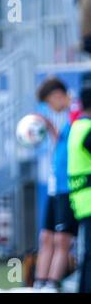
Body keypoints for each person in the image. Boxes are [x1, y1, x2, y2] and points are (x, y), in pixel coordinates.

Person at [33, 78, 79, 292]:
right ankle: (39, 282)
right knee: (46, 237)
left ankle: (52, 284)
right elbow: (63, 144)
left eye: (49, 102)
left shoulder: (77, 111)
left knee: (62, 239)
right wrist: (50, 126)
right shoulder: (68, 120)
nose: (50, 108)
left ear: (57, 95)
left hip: (69, 186)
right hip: (54, 186)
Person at [68, 82, 91, 293]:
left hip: (81, 200)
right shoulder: (88, 130)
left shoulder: (77, 127)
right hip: (89, 199)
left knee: (88, 255)